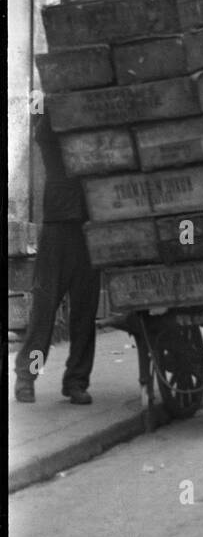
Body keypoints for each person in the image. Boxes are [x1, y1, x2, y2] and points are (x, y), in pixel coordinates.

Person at [14, 120, 101, 405]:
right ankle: (27, 376)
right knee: (45, 308)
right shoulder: (52, 125)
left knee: (85, 313)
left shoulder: (92, 127)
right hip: (58, 227)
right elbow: (41, 131)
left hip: (89, 228)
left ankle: (76, 381)